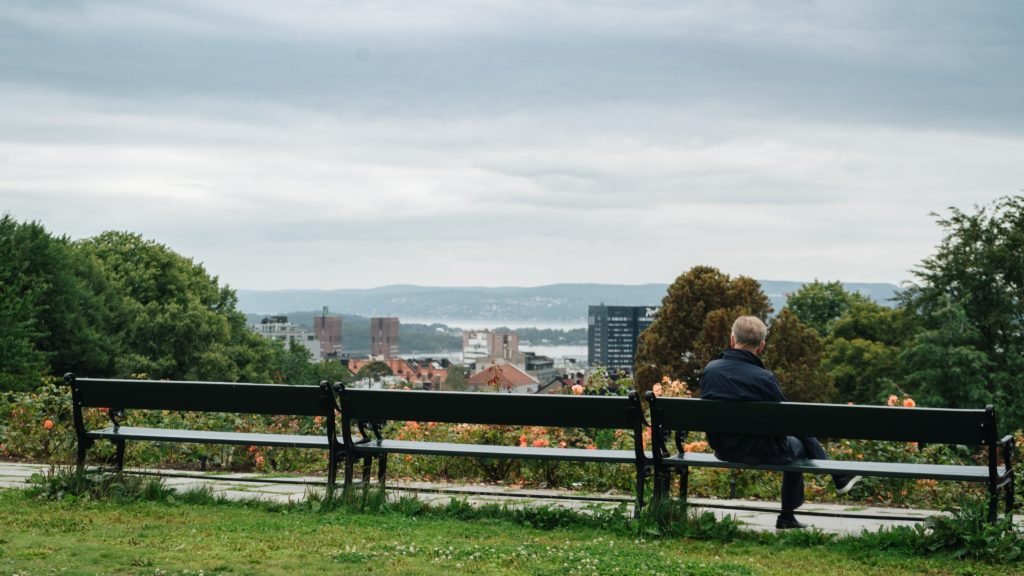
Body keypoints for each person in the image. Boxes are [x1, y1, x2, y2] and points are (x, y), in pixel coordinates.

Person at [698, 315, 861, 529]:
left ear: (732, 340)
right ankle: (790, 514)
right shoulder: (763, 378)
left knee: (796, 436)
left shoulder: (711, 370)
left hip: (724, 449)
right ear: (762, 346)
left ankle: (838, 475)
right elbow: (788, 421)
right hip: (762, 451)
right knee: (799, 442)